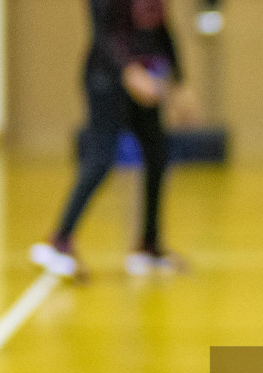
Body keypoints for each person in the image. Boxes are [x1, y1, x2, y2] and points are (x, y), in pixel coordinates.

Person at [30, 0, 196, 283]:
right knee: (100, 159)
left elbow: (162, 29)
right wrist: (129, 72)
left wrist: (179, 82)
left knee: (156, 153)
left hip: (146, 76)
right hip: (106, 79)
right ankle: (59, 239)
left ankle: (148, 245)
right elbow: (104, 33)